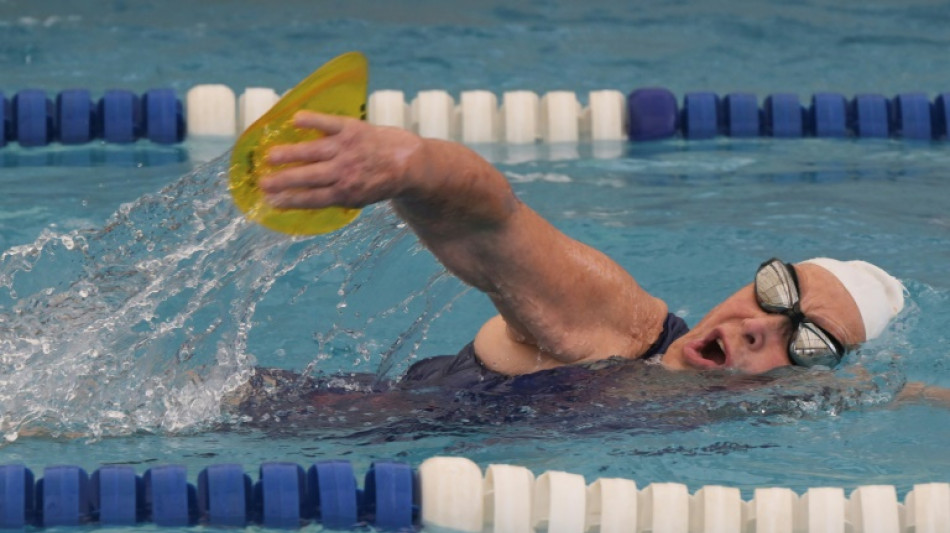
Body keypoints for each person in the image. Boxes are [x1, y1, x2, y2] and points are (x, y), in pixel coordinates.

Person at [259, 111, 907, 389]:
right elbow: (492, 220)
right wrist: (413, 163)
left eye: (809, 342)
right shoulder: (622, 329)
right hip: (279, 432)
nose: (762, 323)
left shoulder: (762, 407)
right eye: (776, 291)